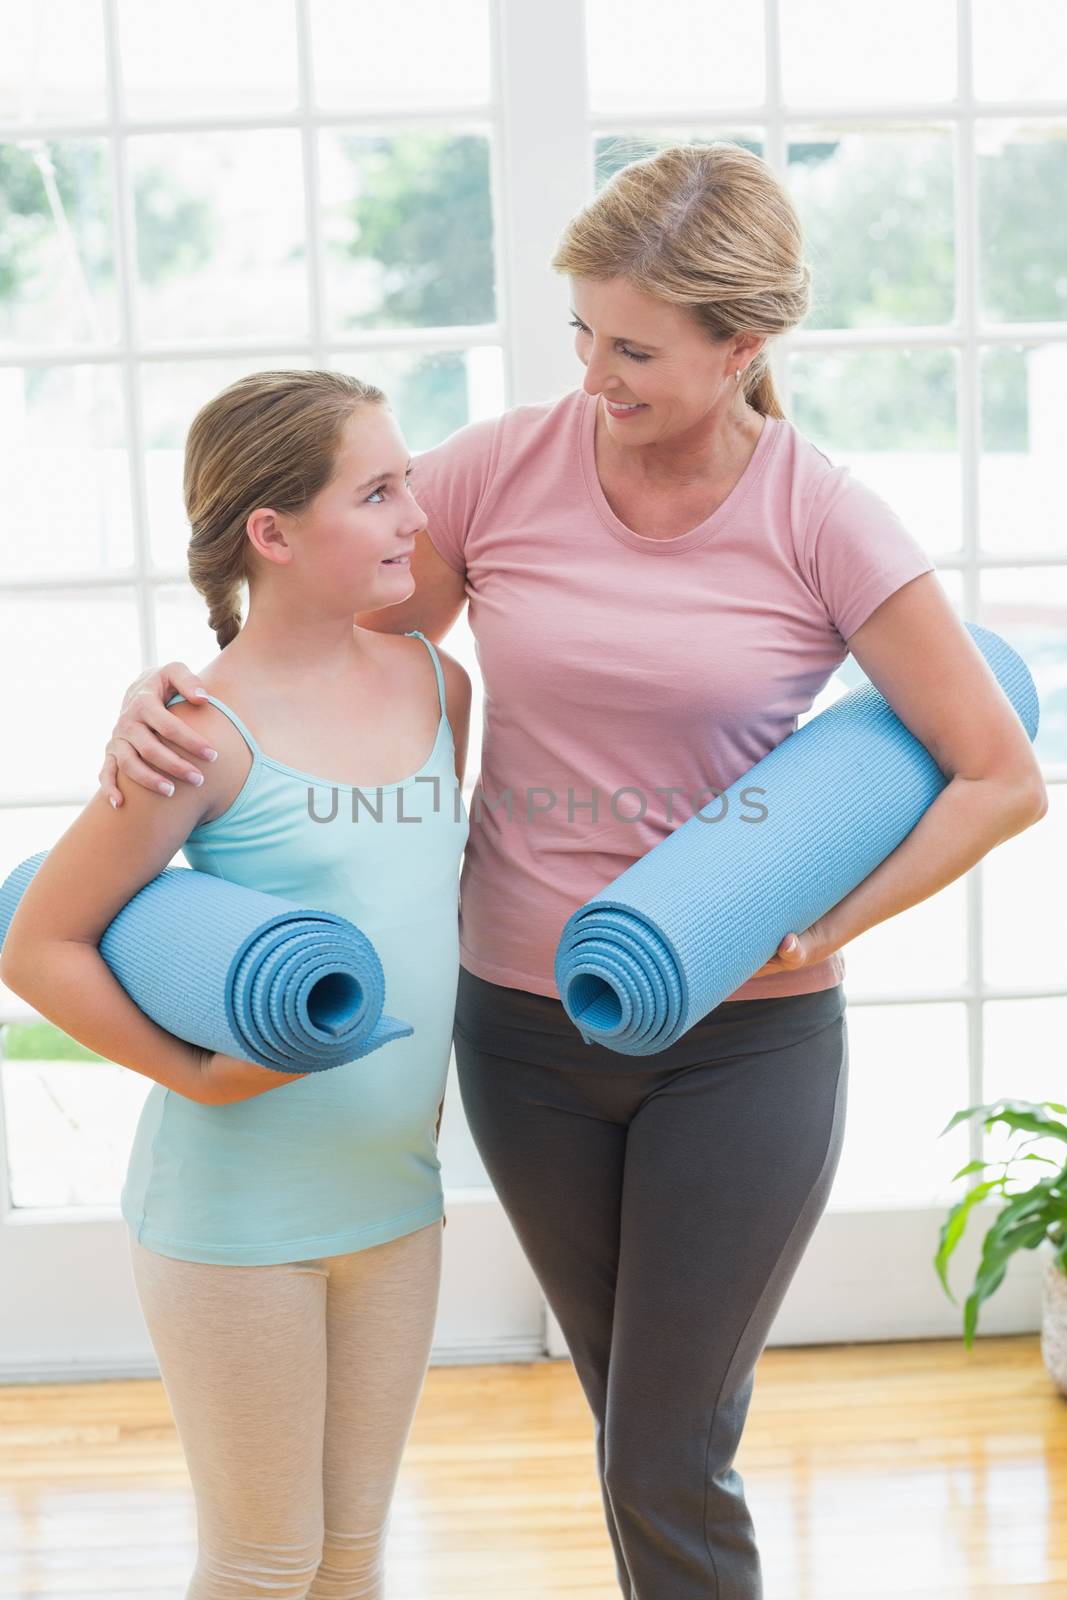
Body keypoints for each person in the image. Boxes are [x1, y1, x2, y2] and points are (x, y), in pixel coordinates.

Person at [95, 146, 1046, 1599]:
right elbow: (318, 625)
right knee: (629, 1430)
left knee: (668, 1444)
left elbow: (997, 775)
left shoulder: (818, 514)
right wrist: (161, 700)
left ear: (744, 347)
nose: (595, 376)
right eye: (583, 336)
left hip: (737, 1040)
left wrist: (816, 919)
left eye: (637, 349)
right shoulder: (502, 467)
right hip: (525, 1036)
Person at [2, 369, 471, 1599]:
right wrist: (197, 1077)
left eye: (407, 482)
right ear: (272, 532)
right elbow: (37, 943)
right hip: (235, 1223)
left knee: (353, 1555)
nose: (413, 517)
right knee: (264, 1561)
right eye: (376, 492)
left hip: (395, 1203)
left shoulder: (439, 686)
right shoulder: (196, 734)